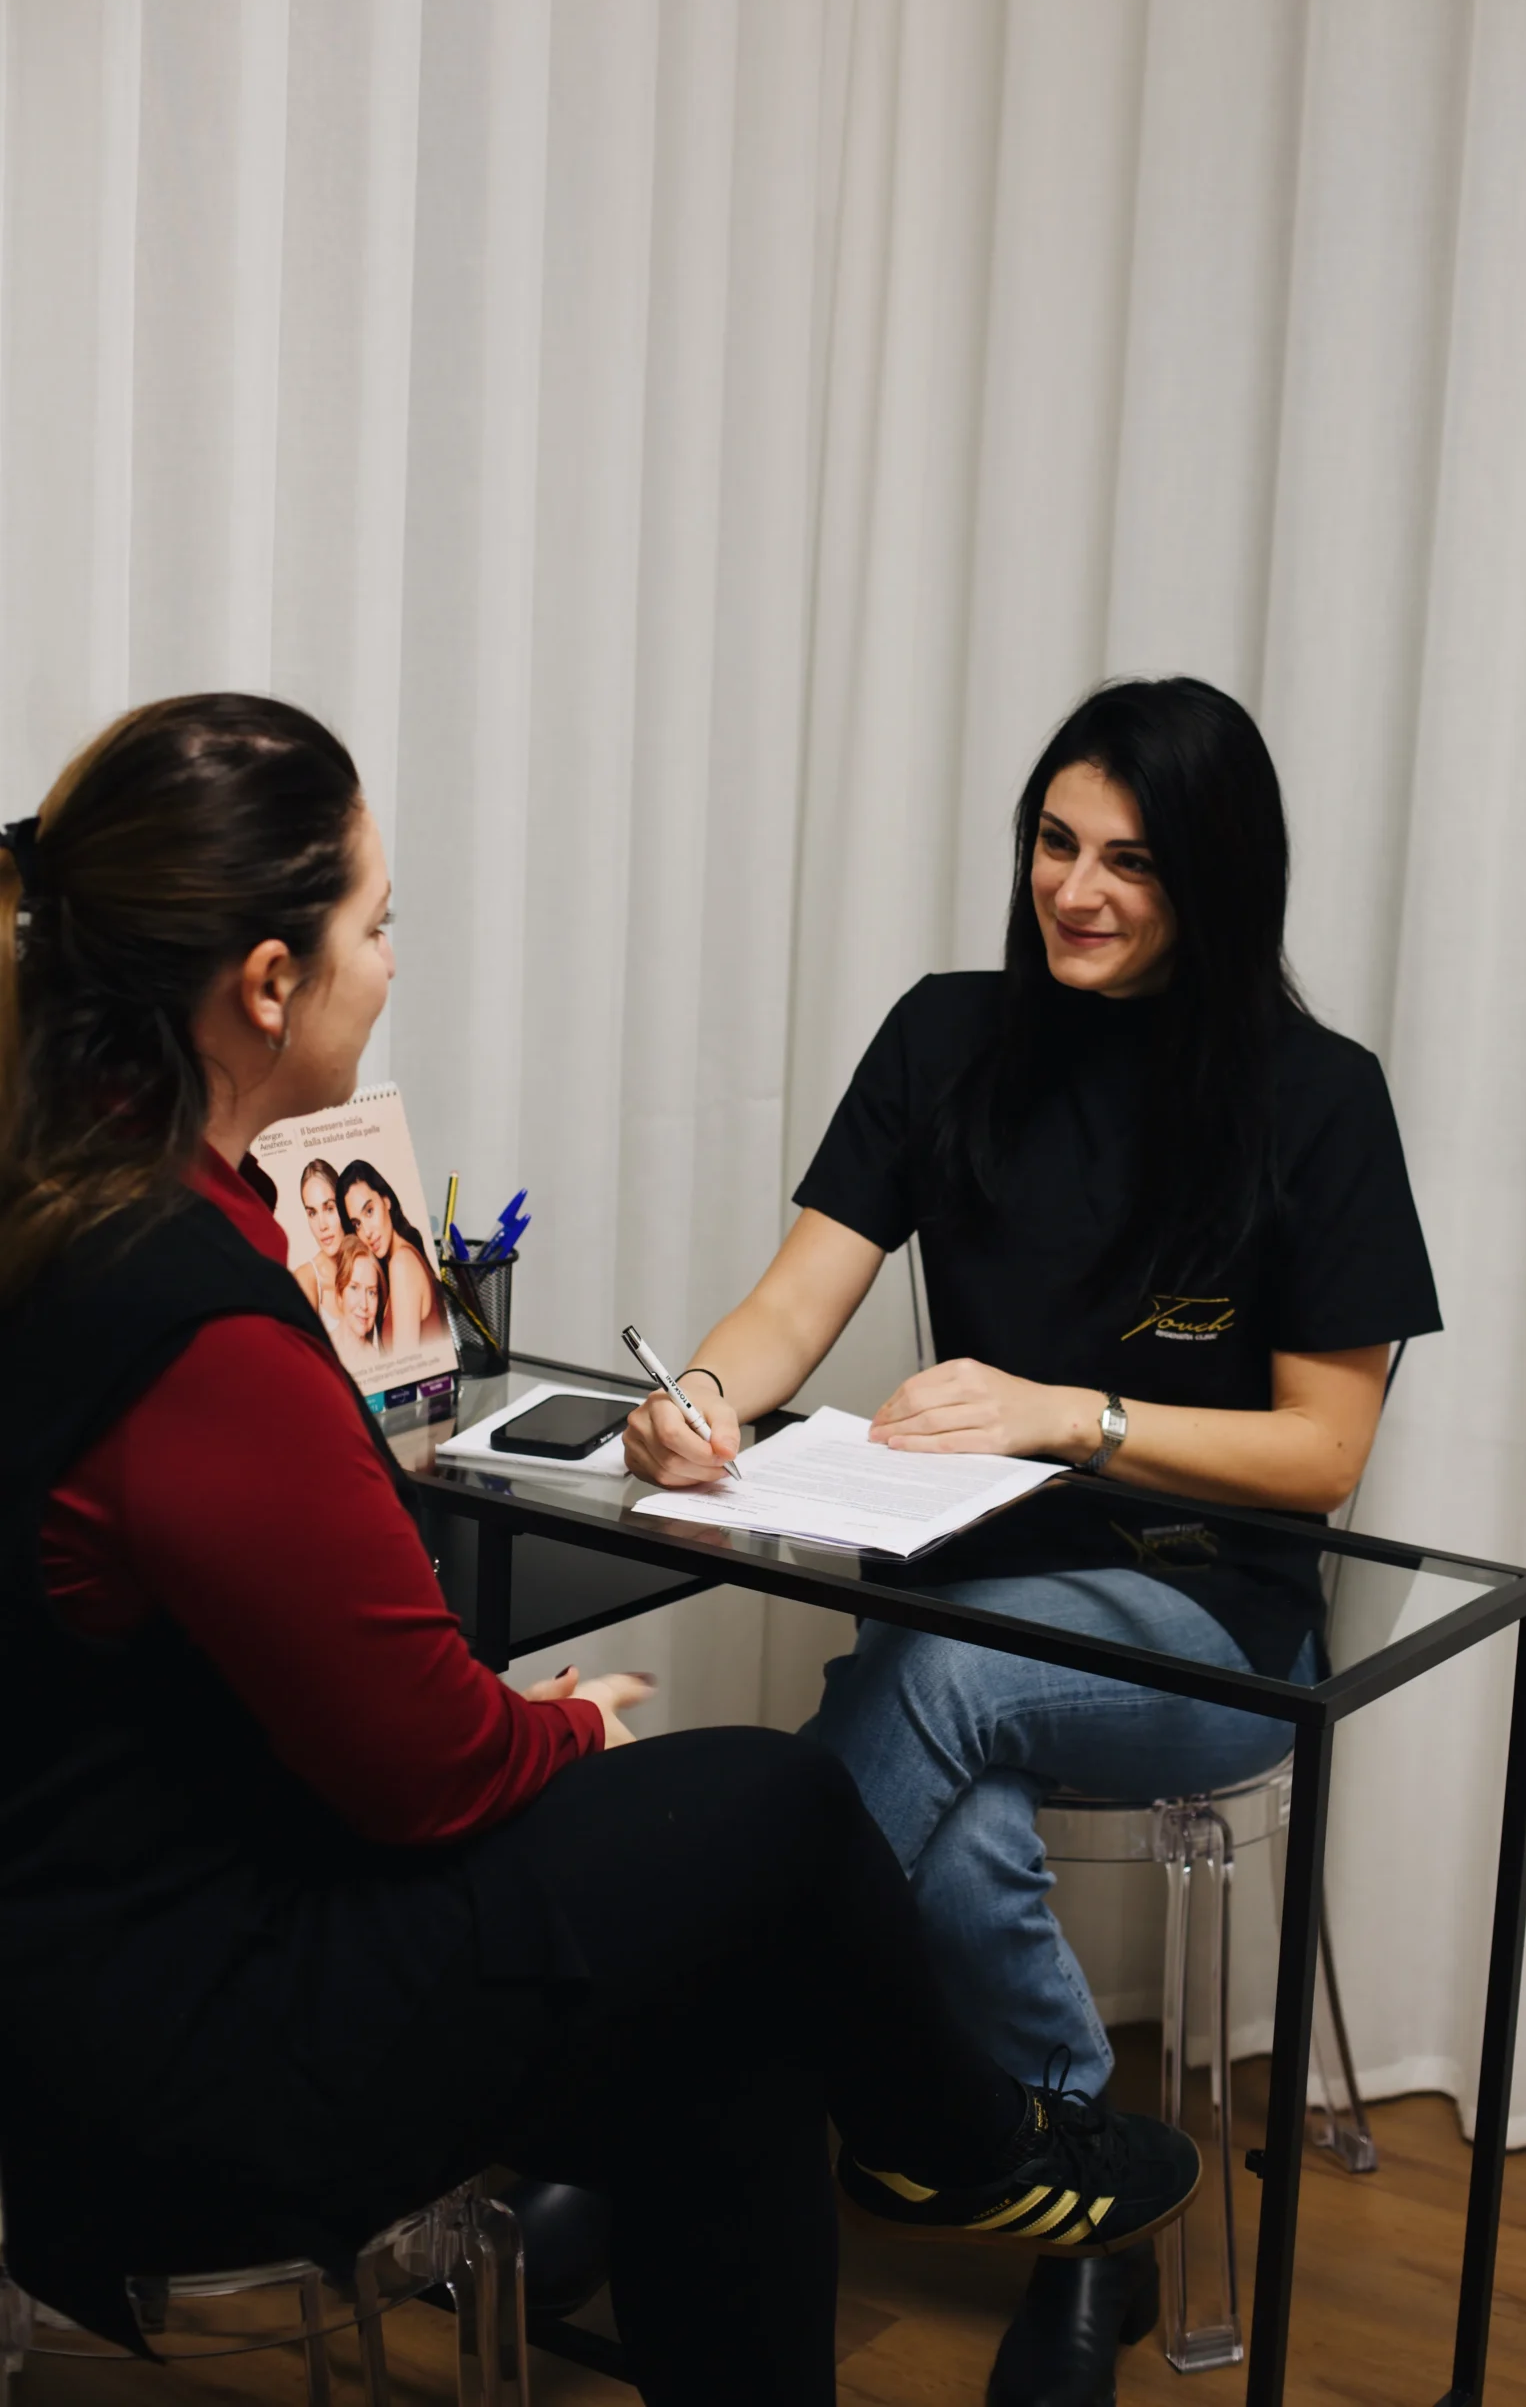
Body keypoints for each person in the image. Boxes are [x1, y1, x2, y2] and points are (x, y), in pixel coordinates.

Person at [0, 692, 1201, 2407]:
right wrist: (564, 1727)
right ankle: (971, 2146)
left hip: (119, 1956)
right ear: (268, 984)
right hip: (185, 2049)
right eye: (378, 925)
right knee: (774, 1811)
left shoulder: (77, 1214)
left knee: (730, 2001)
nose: (391, 965)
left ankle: (951, 2143)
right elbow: (428, 1772)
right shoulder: (186, 1316)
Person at [624, 677, 1442, 2406]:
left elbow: (1323, 1452)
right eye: (1053, 845)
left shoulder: (1317, 1098)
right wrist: (694, 1398)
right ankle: (1086, 2218)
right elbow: (793, 1300)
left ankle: (659, 2097)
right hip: (967, 1607)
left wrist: (1075, 1414)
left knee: (926, 1688)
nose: (1073, 889)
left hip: (1209, 1632)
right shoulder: (945, 1037)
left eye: (1128, 862)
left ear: (1215, 878)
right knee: (959, 1793)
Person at [335, 1156, 444, 1351]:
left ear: (386, 1201)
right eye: (357, 1224)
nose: (367, 1232)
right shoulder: (398, 1261)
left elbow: (406, 1363)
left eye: (369, 1211)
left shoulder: (402, 1264)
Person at [292, 1156, 345, 1335]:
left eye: (329, 1208)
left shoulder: (367, 1267)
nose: (322, 1226)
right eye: (312, 1213)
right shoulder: (306, 1280)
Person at [330, 1232, 385, 1371]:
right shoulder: (320, 1350)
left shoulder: (380, 1364)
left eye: (371, 1292)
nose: (364, 1305)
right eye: (354, 1288)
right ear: (339, 1292)